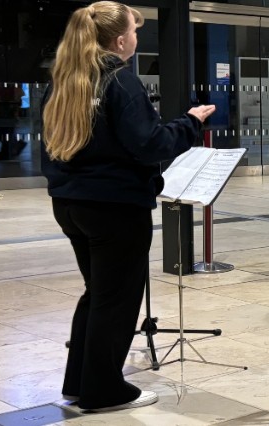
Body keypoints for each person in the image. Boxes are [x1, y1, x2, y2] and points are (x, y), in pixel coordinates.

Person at [42, 1, 215, 412]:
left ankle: (79, 383)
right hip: (115, 208)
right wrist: (191, 122)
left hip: (71, 203)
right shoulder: (121, 82)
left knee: (97, 293)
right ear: (121, 40)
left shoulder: (66, 80)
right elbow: (149, 145)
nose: (137, 38)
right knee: (116, 299)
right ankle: (103, 390)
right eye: (135, 32)